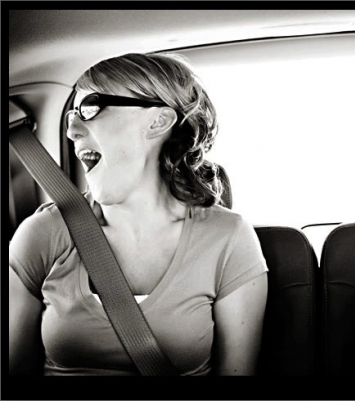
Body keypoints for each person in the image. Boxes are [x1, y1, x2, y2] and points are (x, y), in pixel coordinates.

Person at [9, 52, 269, 376]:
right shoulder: (43, 233)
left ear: (158, 121)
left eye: (91, 107)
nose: (72, 130)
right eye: (71, 115)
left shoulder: (228, 239)